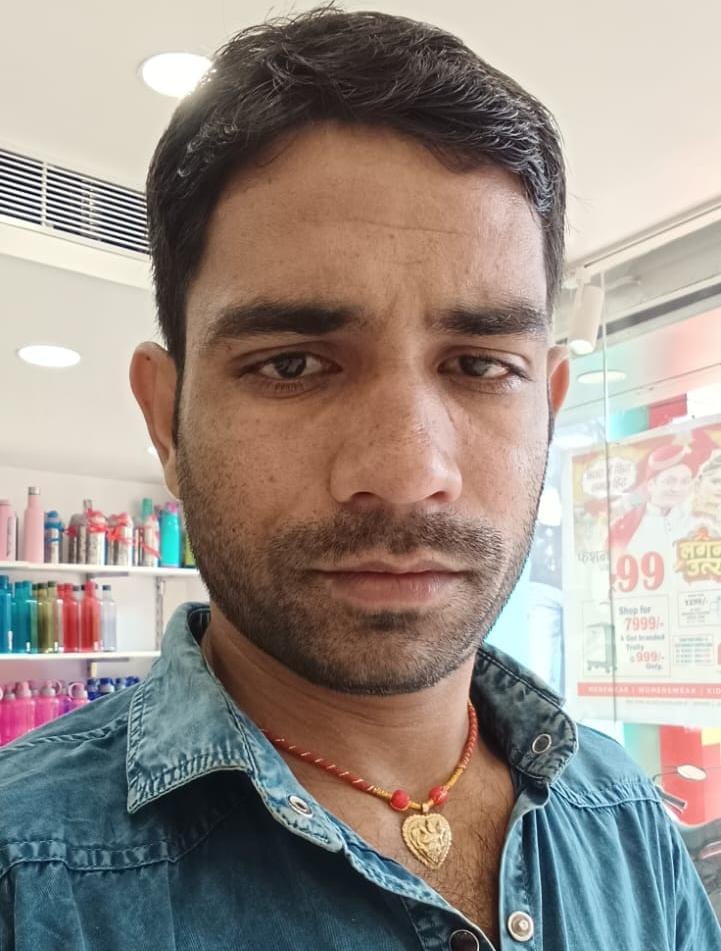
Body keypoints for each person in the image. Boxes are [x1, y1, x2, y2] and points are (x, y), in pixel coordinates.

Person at [0, 8, 719, 950]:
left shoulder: (622, 815)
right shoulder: (29, 878)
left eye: (478, 365)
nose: (408, 472)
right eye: (292, 364)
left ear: (546, 406)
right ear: (165, 417)